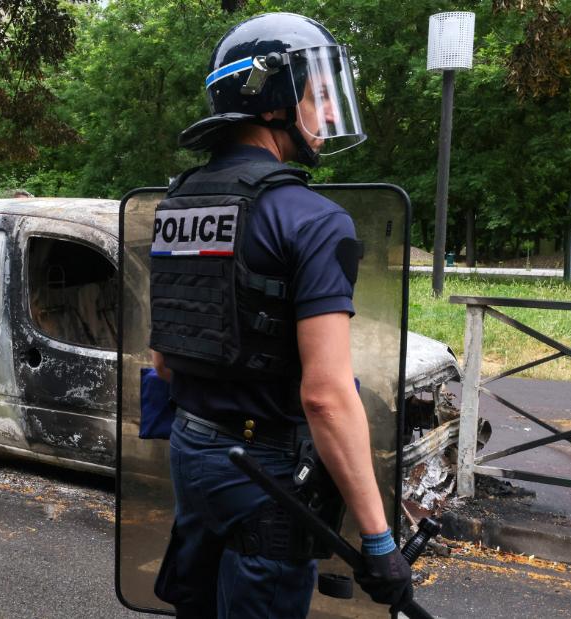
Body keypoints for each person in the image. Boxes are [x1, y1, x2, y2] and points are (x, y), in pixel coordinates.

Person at [149, 12, 413, 618]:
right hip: (264, 472)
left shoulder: (177, 204)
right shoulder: (315, 221)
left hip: (192, 451)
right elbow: (325, 396)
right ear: (268, 98)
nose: (325, 116)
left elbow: (164, 360)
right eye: (317, 96)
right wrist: (378, 542)